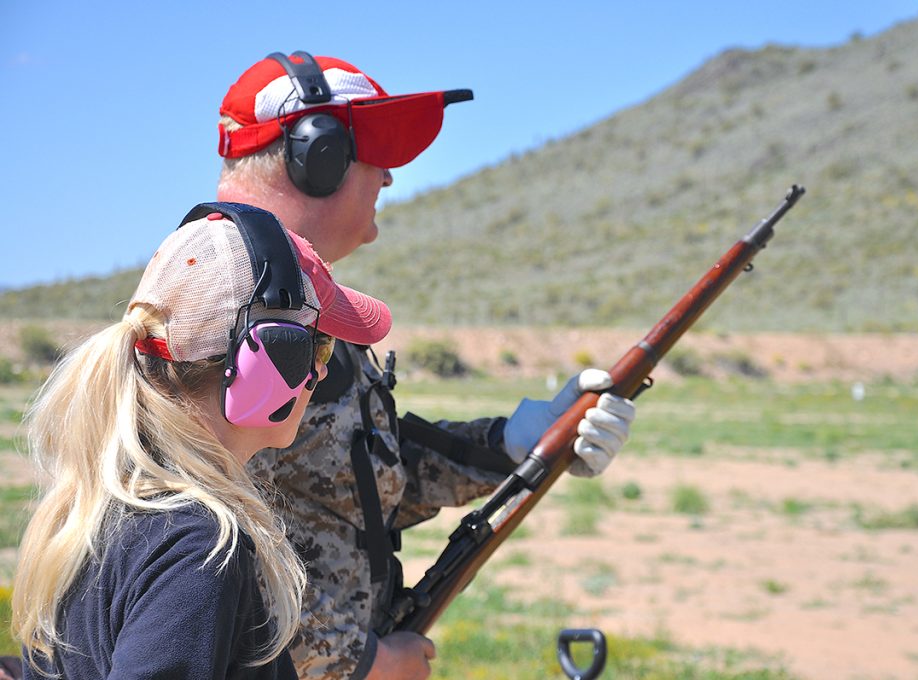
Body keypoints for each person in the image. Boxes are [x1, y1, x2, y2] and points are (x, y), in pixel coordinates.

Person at [216, 52, 638, 679]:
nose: (388, 178)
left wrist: (516, 441)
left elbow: (362, 482)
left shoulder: (302, 302)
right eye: (376, 153)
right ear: (318, 158)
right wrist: (364, 664)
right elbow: (204, 529)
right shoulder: (228, 307)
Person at [11, 203, 395, 679]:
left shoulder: (91, 512)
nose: (320, 371)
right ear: (267, 359)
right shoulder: (199, 550)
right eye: (318, 347)